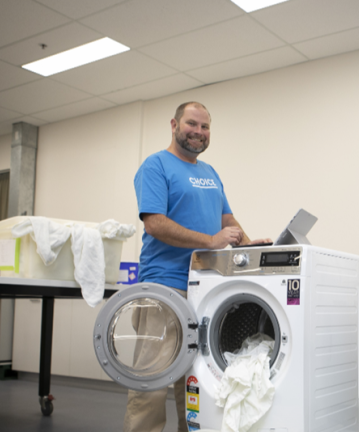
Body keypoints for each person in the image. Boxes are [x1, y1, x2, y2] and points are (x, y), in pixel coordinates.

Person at [126, 101, 270, 432]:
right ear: (174, 125)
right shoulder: (155, 166)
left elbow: (227, 219)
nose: (199, 132)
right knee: (152, 381)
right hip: (165, 286)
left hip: (205, 288)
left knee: (195, 381)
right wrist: (210, 241)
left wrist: (249, 248)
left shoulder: (210, 173)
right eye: (192, 123)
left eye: (205, 127)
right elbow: (155, 223)